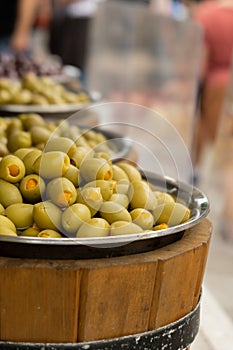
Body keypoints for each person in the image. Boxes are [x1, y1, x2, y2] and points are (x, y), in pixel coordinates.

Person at [193, 0, 233, 167]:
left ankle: (195, 173)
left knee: (204, 135)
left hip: (215, 88)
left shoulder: (207, 14)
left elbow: (199, 61)